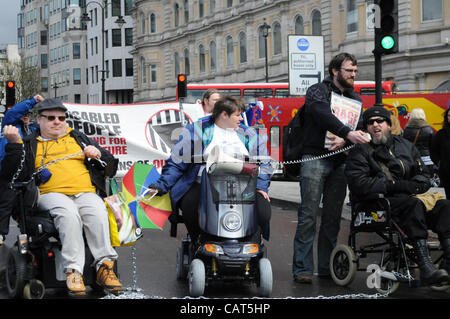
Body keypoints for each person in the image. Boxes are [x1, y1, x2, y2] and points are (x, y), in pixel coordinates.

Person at [0, 98, 122, 296]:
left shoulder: (79, 138)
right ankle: (73, 271)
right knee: (68, 213)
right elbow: (11, 174)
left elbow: (110, 166)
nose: (57, 121)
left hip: (85, 192)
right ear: (39, 120)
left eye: (61, 118)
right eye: (51, 118)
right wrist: (14, 145)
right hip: (50, 194)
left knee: (98, 210)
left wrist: (98, 154)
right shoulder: (31, 143)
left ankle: (104, 267)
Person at [345, 106, 450, 286]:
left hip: (408, 199)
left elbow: (423, 172)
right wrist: (393, 185)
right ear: (366, 127)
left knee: (445, 206)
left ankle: (448, 262)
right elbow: (359, 183)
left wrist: (417, 184)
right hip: (376, 203)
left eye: (380, 121)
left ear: (388, 124)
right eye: (371, 122)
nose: (375, 125)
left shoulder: (405, 146)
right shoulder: (360, 151)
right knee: (412, 205)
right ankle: (425, 267)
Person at [148, 95, 272, 243]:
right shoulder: (198, 130)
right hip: (203, 184)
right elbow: (177, 161)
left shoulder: (249, 134)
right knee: (190, 208)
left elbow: (265, 162)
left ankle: (252, 242)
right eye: (238, 115)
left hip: (244, 186)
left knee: (263, 212)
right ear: (224, 114)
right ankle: (198, 242)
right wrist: (162, 185)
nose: (241, 119)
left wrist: (261, 186)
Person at [292, 52, 370, 284]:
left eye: (355, 71)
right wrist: (347, 132)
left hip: (340, 160)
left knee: (332, 217)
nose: (354, 75)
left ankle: (326, 267)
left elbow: (360, 126)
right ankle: (302, 268)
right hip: (314, 158)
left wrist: (346, 139)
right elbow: (320, 112)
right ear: (335, 71)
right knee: (308, 216)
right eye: (349, 71)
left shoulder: (355, 99)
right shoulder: (318, 90)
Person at [0, 95, 44, 245]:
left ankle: (29, 233)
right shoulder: (10, 125)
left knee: (29, 205)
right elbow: (13, 113)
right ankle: (1, 234)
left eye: (28, 114)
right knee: (5, 202)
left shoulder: (34, 129)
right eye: (23, 114)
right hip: (9, 171)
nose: (26, 116)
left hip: (28, 173)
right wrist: (33, 101)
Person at [403, 108, 435, 174]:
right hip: (427, 159)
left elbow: (404, 145)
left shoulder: (407, 129)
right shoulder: (429, 129)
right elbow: (433, 146)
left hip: (412, 158)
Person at [431, 108, 450, 199]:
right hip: (446, 173)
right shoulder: (441, 134)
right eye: (449, 115)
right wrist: (439, 163)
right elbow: (433, 151)